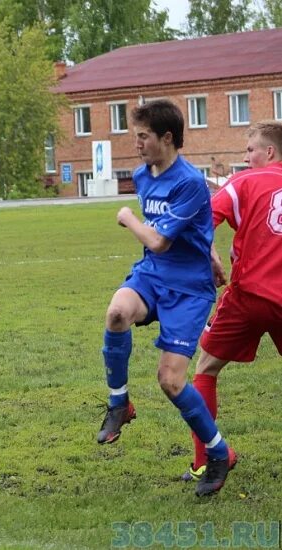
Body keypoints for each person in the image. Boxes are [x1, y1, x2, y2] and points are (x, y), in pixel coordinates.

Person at [94, 100, 233, 497]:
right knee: (117, 313)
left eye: (142, 137)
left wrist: (128, 218)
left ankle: (218, 453)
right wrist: (211, 252)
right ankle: (119, 403)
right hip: (153, 276)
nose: (135, 143)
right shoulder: (142, 175)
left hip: (188, 289)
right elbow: (185, 229)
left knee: (170, 381)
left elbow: (158, 238)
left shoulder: (189, 181)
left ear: (166, 138)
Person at [181, 121, 282, 482]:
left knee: (205, 369)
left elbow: (201, 221)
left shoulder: (245, 182)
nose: (245, 156)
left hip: (250, 297)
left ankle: (206, 460)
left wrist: (210, 255)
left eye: (250, 149)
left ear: (269, 152)